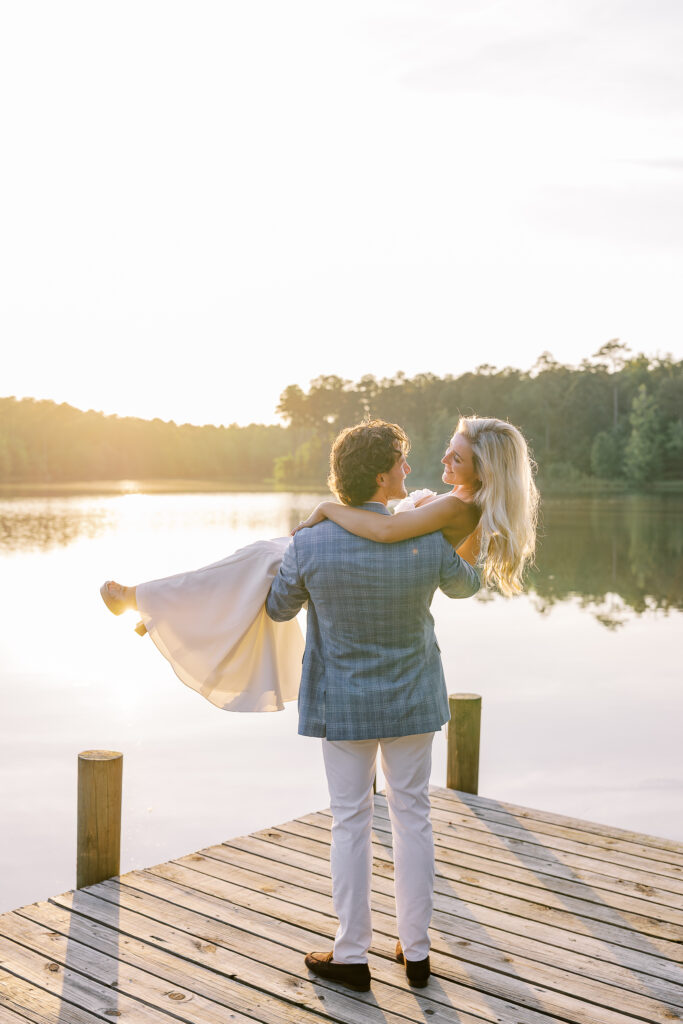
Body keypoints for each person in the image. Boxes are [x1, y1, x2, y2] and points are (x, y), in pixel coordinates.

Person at [265, 419, 483, 993]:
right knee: (413, 817)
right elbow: (467, 586)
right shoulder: (427, 535)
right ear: (382, 474)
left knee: (350, 820)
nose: (410, 471)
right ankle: (417, 953)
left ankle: (352, 956)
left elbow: (279, 608)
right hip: (413, 696)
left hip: (343, 704)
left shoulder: (310, 541)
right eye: (402, 461)